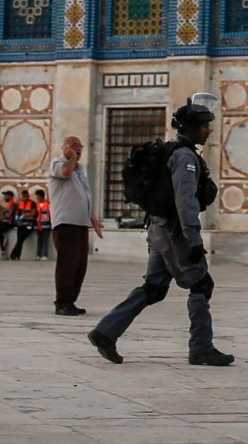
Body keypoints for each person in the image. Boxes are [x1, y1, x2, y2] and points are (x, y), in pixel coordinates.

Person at [90, 96, 231, 366]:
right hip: (174, 230)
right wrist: (192, 240)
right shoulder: (184, 157)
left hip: (157, 227)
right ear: (190, 127)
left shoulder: (171, 151)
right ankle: (201, 348)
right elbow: (185, 200)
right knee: (201, 284)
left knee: (154, 287)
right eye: (204, 126)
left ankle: (105, 332)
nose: (209, 130)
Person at [46, 137, 100, 316]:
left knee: (79, 266)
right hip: (66, 223)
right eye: (73, 146)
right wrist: (71, 158)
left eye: (80, 147)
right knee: (67, 265)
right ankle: (62, 302)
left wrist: (93, 219)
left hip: (81, 223)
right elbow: (65, 172)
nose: (78, 150)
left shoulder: (80, 170)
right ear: (64, 148)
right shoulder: (58, 163)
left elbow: (84, 196)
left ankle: (71, 300)